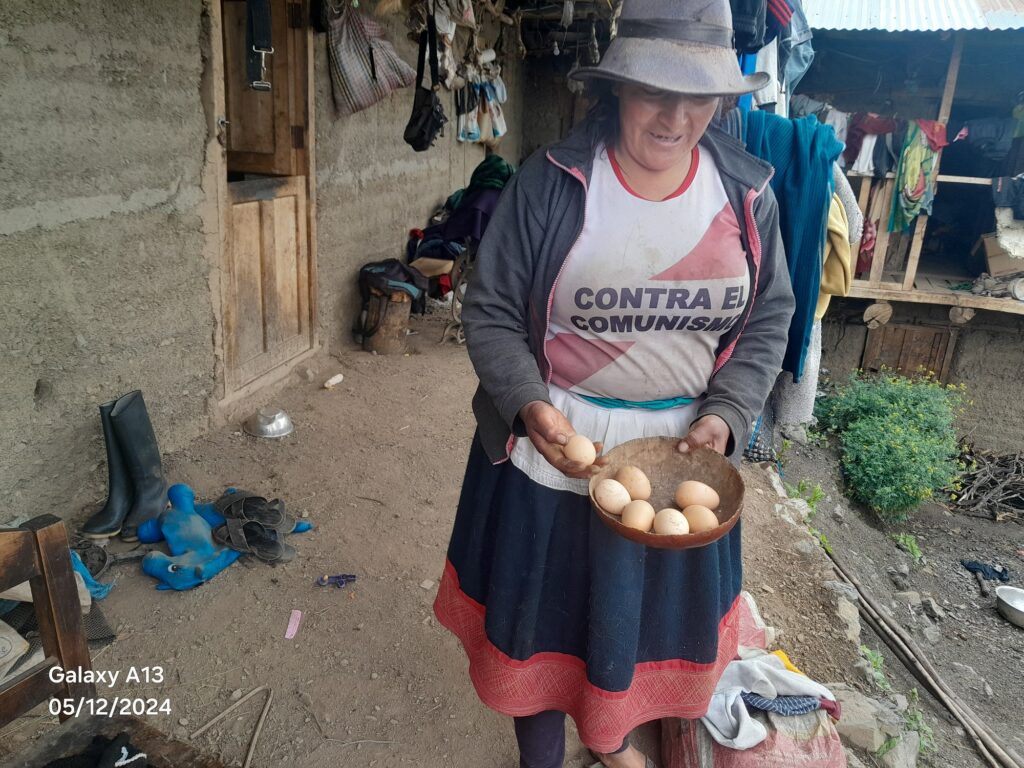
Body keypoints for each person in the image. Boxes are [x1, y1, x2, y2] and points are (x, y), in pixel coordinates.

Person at [433, 1, 795, 766]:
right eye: (655, 92)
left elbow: (769, 317)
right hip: (558, 450)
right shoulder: (554, 182)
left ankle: (611, 741)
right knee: (542, 627)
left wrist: (728, 412)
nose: (676, 118)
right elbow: (492, 311)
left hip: (682, 462)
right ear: (618, 88)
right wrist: (530, 405)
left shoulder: (745, 193)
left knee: (636, 631)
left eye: (698, 96)